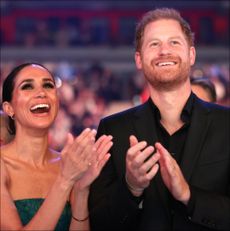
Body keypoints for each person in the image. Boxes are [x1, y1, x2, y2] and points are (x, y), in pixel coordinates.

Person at [89, 8, 230, 231]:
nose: (164, 51)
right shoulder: (112, 129)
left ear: (191, 55)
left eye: (174, 42)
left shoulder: (226, 124)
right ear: (139, 59)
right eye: (154, 44)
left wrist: (188, 195)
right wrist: (131, 187)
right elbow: (98, 223)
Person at [0, 62, 113, 231]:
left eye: (48, 85)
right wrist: (65, 180)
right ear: (9, 108)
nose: (41, 93)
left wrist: (81, 190)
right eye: (27, 87)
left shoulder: (69, 164)